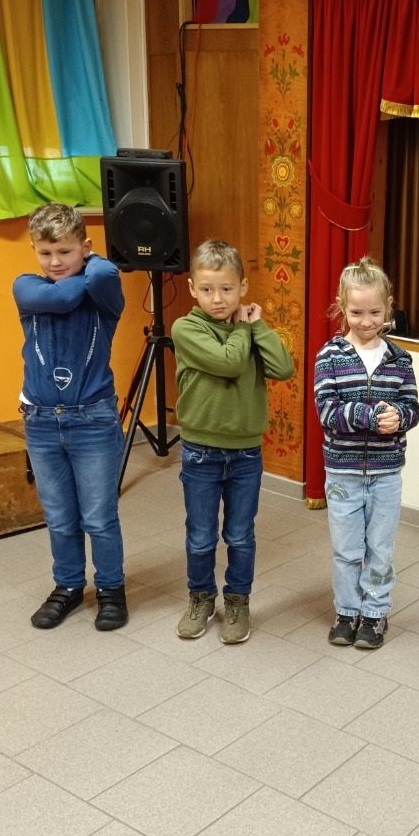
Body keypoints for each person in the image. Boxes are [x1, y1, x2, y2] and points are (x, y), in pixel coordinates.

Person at [171, 240, 295, 644]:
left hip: (245, 453)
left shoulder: (250, 331)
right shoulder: (186, 328)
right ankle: (201, 598)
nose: (217, 298)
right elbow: (229, 362)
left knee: (240, 535)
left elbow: (283, 368)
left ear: (243, 287)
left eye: (227, 289)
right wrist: (243, 328)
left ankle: (238, 601)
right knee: (201, 536)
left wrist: (258, 326)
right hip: (200, 452)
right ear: (192, 288)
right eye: (207, 289)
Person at [13, 203, 129, 632]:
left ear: (86, 246)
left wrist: (90, 260)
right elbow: (61, 299)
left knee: (99, 516)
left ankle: (111, 589)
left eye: (65, 251)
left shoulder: (103, 293)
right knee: (60, 516)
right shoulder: (27, 286)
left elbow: (102, 274)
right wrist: (84, 263)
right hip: (41, 422)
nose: (55, 262)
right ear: (34, 251)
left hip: (92, 420)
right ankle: (68, 586)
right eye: (45, 253)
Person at [314, 257, 419, 649]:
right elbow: (326, 412)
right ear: (342, 307)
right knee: (346, 550)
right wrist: (370, 416)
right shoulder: (330, 356)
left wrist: (400, 417)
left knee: (380, 549)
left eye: (375, 312)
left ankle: (374, 614)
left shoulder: (399, 359)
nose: (366, 321)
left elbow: (413, 408)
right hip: (342, 474)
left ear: (388, 307)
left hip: (386, 475)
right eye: (356, 312)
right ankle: (346, 611)